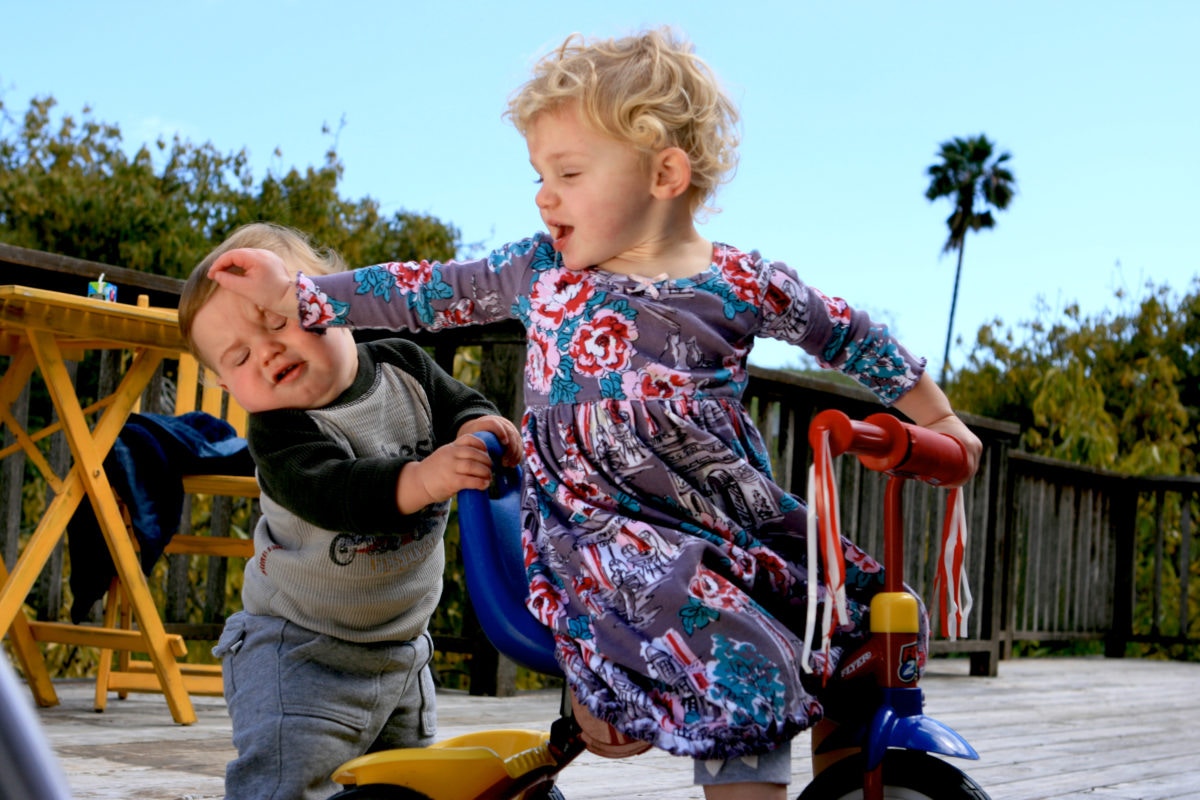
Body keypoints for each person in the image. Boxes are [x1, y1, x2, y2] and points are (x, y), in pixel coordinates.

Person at [206, 30, 983, 800]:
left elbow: (846, 331)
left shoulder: (742, 282)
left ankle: (847, 779)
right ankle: (635, 704)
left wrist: (937, 418)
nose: (545, 195)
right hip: (600, 532)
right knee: (726, 634)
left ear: (664, 173)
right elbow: (420, 291)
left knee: (846, 613)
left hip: (720, 519)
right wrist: (299, 299)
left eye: (569, 172)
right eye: (540, 174)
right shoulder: (538, 272)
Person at [178, 222, 522, 800]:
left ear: (333, 295)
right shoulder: (280, 430)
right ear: (224, 383)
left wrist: (480, 427)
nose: (267, 353)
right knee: (287, 783)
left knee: (404, 784)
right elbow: (335, 492)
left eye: (279, 319)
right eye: (239, 357)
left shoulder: (405, 368)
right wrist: (422, 477)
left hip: (403, 647)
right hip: (298, 650)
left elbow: (465, 404)